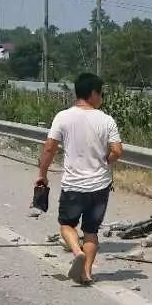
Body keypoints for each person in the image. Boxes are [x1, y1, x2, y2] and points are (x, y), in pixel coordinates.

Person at [36, 72, 123, 286]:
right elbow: (118, 151)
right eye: (101, 93)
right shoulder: (106, 120)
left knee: (66, 225)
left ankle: (76, 251)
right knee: (91, 232)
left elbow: (49, 148)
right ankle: (86, 273)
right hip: (100, 186)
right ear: (93, 93)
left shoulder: (63, 117)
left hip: (74, 185)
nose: (101, 97)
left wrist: (42, 174)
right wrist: (106, 160)